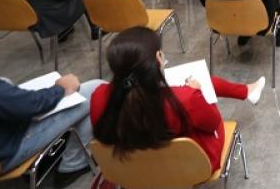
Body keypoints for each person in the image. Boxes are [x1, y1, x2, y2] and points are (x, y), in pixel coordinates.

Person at [90, 27, 265, 172]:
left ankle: (247, 91)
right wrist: (199, 94)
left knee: (204, 84)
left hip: (130, 169)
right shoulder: (186, 99)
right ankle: (246, 91)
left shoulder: (98, 96)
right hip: (192, 166)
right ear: (158, 58)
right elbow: (212, 124)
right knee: (204, 86)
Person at [0, 55, 103, 189]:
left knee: (4, 82)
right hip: (2, 151)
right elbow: (24, 105)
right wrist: (59, 89)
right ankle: (72, 166)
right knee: (97, 89)